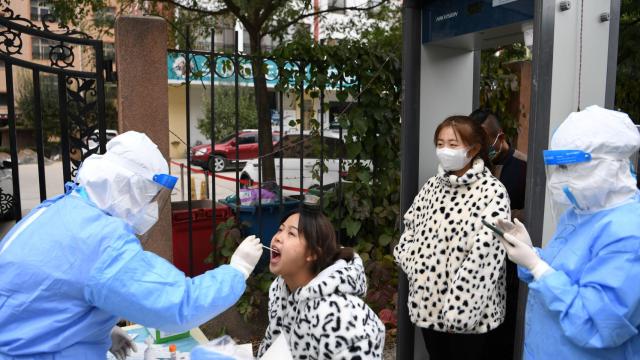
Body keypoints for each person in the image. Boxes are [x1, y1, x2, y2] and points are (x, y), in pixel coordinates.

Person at [0, 131, 263, 360]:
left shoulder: (60, 208)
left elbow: (51, 295)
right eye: (150, 196)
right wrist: (237, 270)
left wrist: (95, 328)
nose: (151, 208)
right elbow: (179, 305)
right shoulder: (103, 240)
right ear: (130, 188)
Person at [495, 105, 640, 359]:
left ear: (608, 165)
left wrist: (538, 267)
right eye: (557, 167)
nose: (559, 179)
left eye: (568, 167)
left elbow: (598, 325)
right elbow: (564, 273)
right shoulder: (583, 211)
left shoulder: (629, 233)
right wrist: (531, 255)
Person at [394, 115, 511, 360]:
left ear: (474, 149)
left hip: (472, 318)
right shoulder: (432, 187)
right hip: (429, 311)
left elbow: (485, 257)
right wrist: (418, 270)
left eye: (453, 144)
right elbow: (410, 231)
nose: (445, 150)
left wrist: (459, 313)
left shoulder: (492, 192)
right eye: (440, 143)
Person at [257, 204, 385, 359]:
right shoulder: (280, 292)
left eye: (291, 233)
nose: (278, 237)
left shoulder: (340, 312)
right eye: (280, 229)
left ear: (312, 253)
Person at [469, 108, 528, 358]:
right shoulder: (475, 168)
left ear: (499, 137)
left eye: (485, 141)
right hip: (478, 270)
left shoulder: (526, 167)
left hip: (510, 271)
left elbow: (534, 214)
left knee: (503, 339)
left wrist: (508, 216)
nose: (482, 147)